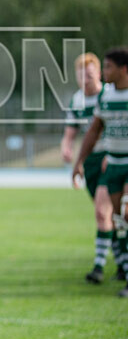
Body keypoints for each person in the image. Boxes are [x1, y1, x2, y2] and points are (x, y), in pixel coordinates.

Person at [74, 47, 128, 297]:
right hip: (113, 164)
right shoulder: (106, 98)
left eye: (108, 67)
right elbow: (94, 130)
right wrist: (79, 161)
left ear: (123, 69)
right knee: (118, 220)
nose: (104, 72)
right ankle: (123, 268)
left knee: (125, 215)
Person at [61, 53, 114, 283]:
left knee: (104, 212)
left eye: (90, 76)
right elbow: (71, 131)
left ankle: (99, 267)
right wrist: (68, 150)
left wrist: (112, 152)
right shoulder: (77, 100)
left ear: (99, 74)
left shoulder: (110, 95)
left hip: (112, 158)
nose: (86, 81)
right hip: (91, 160)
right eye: (82, 77)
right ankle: (121, 263)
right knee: (110, 215)